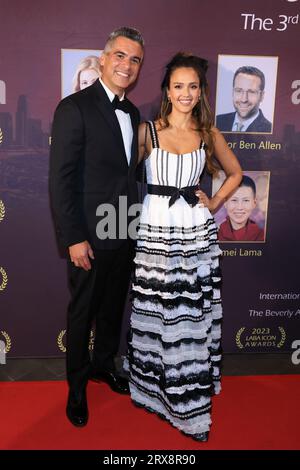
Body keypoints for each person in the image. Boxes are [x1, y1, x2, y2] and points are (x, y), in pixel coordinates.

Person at [126, 52, 242, 441]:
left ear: (201, 91)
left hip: (193, 230)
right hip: (157, 228)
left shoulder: (208, 133)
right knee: (159, 310)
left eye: (193, 86)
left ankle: (189, 406)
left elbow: (235, 172)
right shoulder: (148, 132)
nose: (186, 93)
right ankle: (153, 392)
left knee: (188, 315)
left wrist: (214, 202)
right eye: (179, 86)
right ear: (167, 91)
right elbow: (125, 178)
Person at [49, 27, 144, 427]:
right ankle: (76, 389)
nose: (126, 65)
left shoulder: (134, 112)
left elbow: (128, 176)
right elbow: (61, 180)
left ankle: (104, 365)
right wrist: (73, 238)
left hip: (124, 230)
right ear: (103, 59)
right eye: (120, 56)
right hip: (88, 235)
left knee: (111, 309)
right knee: (82, 311)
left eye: (135, 59)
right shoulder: (74, 108)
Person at [216, 66, 272, 133]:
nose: (244, 99)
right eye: (239, 91)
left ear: (262, 96)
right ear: (232, 92)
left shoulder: (269, 129)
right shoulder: (217, 121)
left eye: (251, 92)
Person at [218, 175, 265, 241]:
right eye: (234, 200)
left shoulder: (261, 235)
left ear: (254, 203)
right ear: (225, 202)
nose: (239, 207)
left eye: (246, 200)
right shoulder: (215, 235)